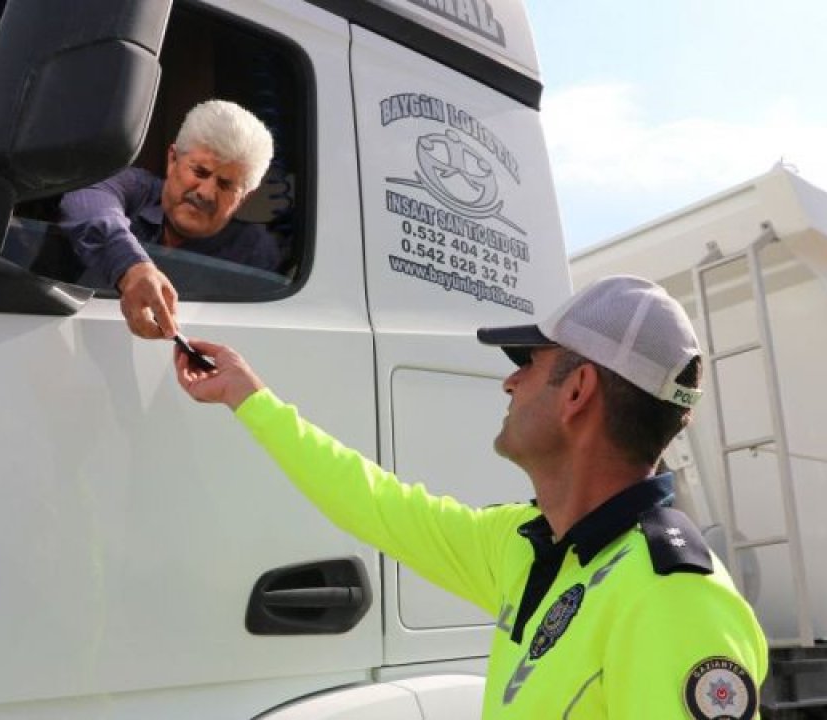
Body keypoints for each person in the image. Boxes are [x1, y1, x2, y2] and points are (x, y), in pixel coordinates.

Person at [174, 275, 768, 719]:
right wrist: (249, 398)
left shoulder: (675, 599)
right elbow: (376, 503)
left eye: (529, 364)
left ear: (578, 391)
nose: (509, 381)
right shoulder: (529, 544)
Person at [60, 99, 278, 339]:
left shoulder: (252, 251)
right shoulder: (133, 189)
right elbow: (88, 199)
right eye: (200, 172)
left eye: (226, 185)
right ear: (173, 160)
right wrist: (131, 268)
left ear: (244, 197)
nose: (206, 192)